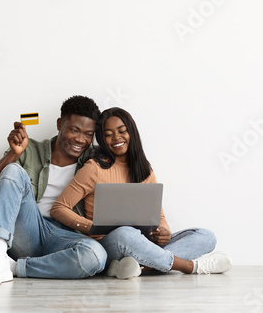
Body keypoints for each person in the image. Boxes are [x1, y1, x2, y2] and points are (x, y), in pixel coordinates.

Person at [50, 107, 232, 279]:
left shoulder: (145, 170)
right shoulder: (94, 168)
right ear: (102, 140)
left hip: (145, 242)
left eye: (122, 131)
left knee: (206, 236)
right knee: (125, 233)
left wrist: (164, 232)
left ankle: (133, 267)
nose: (116, 138)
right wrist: (90, 226)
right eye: (108, 134)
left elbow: (159, 217)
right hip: (112, 244)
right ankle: (192, 267)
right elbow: (59, 208)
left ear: (132, 132)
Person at [0, 95, 107, 285]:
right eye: (74, 130)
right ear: (59, 124)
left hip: (66, 236)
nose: (80, 139)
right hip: (29, 230)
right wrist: (14, 154)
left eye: (88, 134)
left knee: (96, 256)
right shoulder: (30, 149)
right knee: (13, 169)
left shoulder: (95, 159)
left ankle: (9, 267)